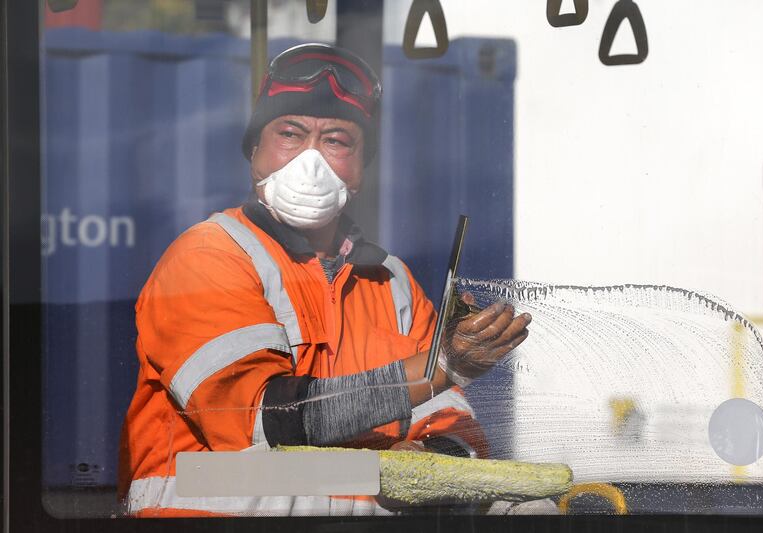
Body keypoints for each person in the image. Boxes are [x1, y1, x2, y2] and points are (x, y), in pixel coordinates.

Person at [117, 43, 531, 517]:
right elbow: (260, 422)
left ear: (361, 167)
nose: (309, 161)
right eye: (290, 134)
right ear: (254, 152)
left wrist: (432, 462)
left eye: (336, 140)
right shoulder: (207, 255)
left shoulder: (393, 283)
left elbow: (458, 433)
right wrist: (438, 369)